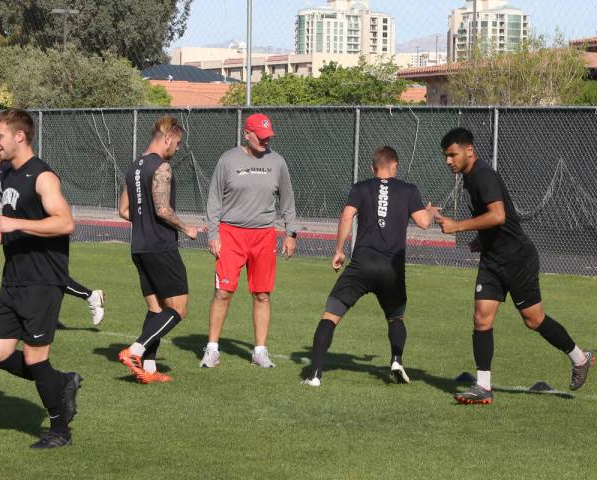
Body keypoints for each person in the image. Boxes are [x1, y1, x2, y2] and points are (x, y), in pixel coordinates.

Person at [437, 127, 593, 405]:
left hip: (517, 259)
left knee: (534, 320)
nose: (448, 161)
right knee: (481, 317)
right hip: (492, 260)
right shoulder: (470, 177)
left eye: (452, 155)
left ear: (469, 150)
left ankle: (580, 358)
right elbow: (494, 219)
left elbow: (497, 215)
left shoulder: (483, 176)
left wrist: (458, 226)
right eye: (446, 156)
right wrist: (479, 240)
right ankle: (483, 386)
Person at [0, 109, 82, 449]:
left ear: (19, 136)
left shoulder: (43, 176)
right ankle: (61, 381)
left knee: (36, 358)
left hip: (42, 280)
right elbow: (18, 220)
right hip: (14, 279)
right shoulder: (9, 175)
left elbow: (65, 223)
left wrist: (16, 226)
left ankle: (59, 431)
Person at [302, 146, 438, 387]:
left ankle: (314, 374)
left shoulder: (361, 187)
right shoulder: (408, 190)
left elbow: (346, 216)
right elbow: (424, 223)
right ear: (395, 166)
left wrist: (339, 251)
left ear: (372, 168)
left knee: (331, 315)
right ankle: (396, 359)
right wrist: (430, 210)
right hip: (391, 269)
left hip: (362, 264)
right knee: (396, 318)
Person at [0, 128, 105, 327]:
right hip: (20, 251)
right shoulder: (0, 171)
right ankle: (85, 298)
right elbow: (13, 214)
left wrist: (11, 228)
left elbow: (52, 220)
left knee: (51, 277)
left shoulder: (16, 169)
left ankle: (90, 296)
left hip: (42, 241)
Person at [200, 113, 296, 369]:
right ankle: (211, 349)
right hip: (231, 233)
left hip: (264, 235)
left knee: (262, 294)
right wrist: (213, 234)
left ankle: (260, 351)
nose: (265, 141)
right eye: (260, 137)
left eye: (268, 137)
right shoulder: (228, 160)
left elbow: (287, 200)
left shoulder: (277, 162)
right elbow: (214, 200)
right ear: (247, 134)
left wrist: (290, 233)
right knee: (223, 292)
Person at [117, 115, 197, 384]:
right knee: (178, 309)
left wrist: (144, 221)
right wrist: (186, 229)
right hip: (161, 246)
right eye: (177, 143)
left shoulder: (133, 168)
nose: (178, 148)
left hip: (138, 246)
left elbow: (123, 210)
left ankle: (148, 371)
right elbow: (163, 209)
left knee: (156, 309)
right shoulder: (161, 167)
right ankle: (135, 350)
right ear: (167, 138)